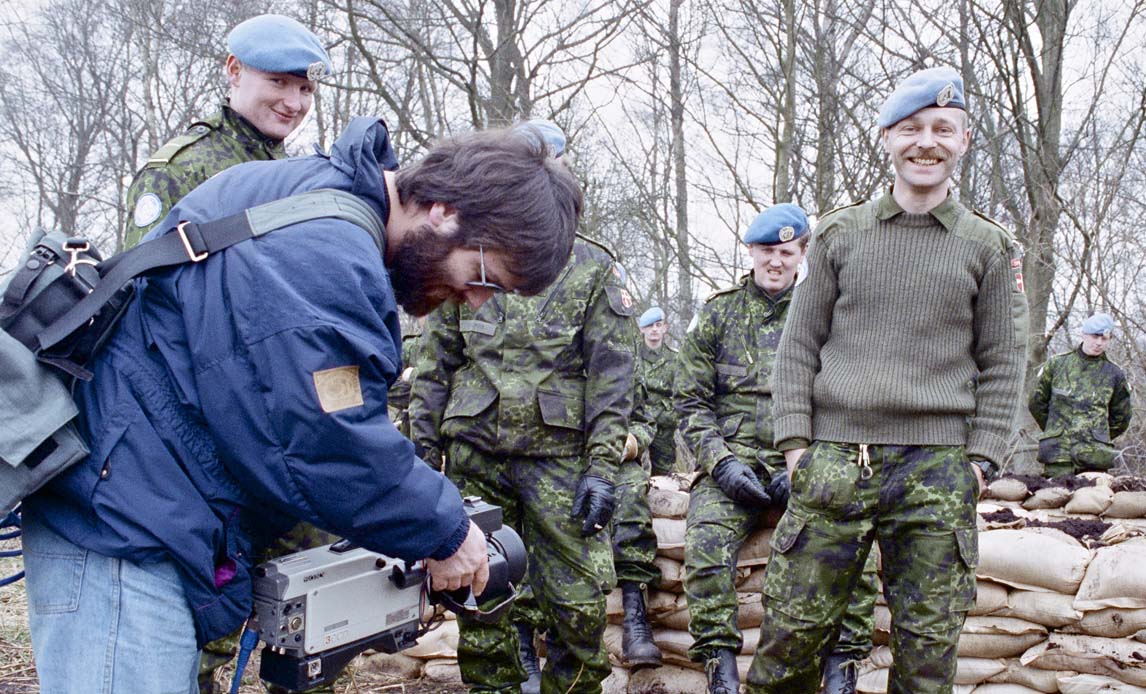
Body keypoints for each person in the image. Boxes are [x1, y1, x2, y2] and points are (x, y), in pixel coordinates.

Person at [21, 117, 583, 693]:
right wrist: (447, 532)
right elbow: (327, 441)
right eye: (486, 276)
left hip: (149, 510)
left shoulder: (323, 205)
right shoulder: (326, 252)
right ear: (443, 209)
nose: (477, 301)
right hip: (126, 528)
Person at [748, 66, 1029, 694]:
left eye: (941, 129)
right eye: (910, 129)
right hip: (835, 463)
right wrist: (796, 445)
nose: (925, 142)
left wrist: (980, 460)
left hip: (938, 469)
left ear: (963, 141)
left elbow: (1006, 363)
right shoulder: (840, 235)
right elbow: (798, 348)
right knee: (788, 643)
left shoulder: (987, 246)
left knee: (927, 658)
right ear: (886, 138)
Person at [408, 129, 634, 691]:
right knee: (480, 602)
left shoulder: (591, 268)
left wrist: (603, 470)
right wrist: (418, 456)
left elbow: (614, 380)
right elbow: (436, 363)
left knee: (579, 603)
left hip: (558, 462)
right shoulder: (464, 252)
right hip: (476, 455)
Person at [676, 204, 876, 694]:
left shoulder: (826, 312)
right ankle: (720, 669)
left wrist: (808, 461)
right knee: (703, 548)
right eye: (767, 251)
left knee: (855, 549)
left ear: (802, 254)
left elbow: (848, 397)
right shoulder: (718, 314)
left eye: (787, 252)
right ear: (750, 252)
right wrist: (720, 464)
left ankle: (841, 666)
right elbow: (690, 400)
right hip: (734, 459)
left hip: (806, 456)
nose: (775, 262)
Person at [123, 14, 330, 248]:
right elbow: (139, 280)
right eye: (278, 82)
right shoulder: (177, 172)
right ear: (234, 71)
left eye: (305, 89)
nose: (293, 103)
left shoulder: (299, 180)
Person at [1029, 312, 1133, 477]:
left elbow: (1121, 418)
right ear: (1084, 334)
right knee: (1053, 498)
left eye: (1104, 339)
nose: (1099, 343)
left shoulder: (1114, 374)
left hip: (1095, 457)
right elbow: (1037, 403)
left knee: (1093, 500)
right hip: (1059, 456)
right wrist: (1055, 430)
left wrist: (1098, 435)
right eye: (1095, 336)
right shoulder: (1057, 365)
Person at [636, 307, 681, 474]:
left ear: (665, 328)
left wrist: (668, 415)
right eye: (649, 326)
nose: (654, 329)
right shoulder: (632, 355)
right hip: (636, 422)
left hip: (664, 426)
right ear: (642, 329)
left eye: (658, 325)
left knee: (665, 477)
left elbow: (682, 394)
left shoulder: (676, 359)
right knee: (631, 471)